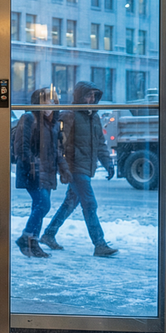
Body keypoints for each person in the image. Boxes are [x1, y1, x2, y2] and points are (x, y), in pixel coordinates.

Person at [40, 81, 119, 257]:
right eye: (88, 95)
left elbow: (100, 144)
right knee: (90, 204)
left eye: (94, 96)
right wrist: (63, 168)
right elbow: (58, 143)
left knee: (70, 203)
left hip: (85, 167)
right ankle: (99, 244)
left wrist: (108, 163)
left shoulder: (94, 117)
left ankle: (49, 234)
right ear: (79, 96)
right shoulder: (69, 115)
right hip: (74, 168)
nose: (91, 99)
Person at [14, 87, 68, 258]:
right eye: (46, 101)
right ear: (37, 102)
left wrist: (64, 169)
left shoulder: (53, 124)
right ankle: (26, 237)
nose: (50, 104)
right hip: (32, 171)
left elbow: (57, 150)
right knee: (43, 204)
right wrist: (33, 164)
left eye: (53, 101)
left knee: (38, 206)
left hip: (48, 172)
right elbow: (21, 146)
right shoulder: (29, 118)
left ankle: (33, 242)